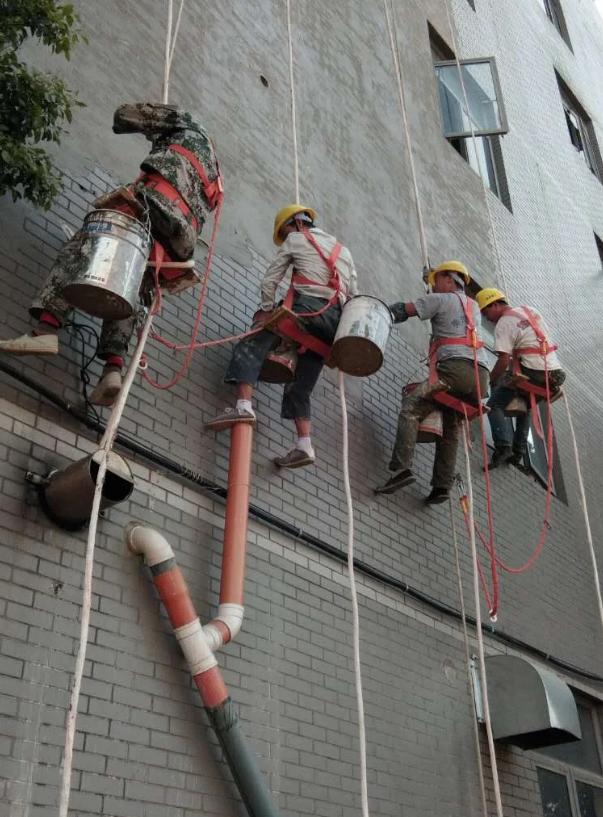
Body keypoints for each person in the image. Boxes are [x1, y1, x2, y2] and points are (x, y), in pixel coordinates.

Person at [0, 102, 221, 406]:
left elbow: (126, 116)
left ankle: (46, 329)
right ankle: (112, 370)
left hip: (157, 204)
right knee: (129, 283)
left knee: (82, 246)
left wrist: (149, 129)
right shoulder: (213, 166)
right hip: (181, 237)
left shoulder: (186, 120)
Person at [205, 205, 358, 469]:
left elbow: (269, 281)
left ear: (296, 224)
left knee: (251, 344)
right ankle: (304, 445)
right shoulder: (344, 252)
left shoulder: (296, 239)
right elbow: (353, 296)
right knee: (301, 387)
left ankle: (243, 405)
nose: (286, 236)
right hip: (332, 328)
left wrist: (267, 312)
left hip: (305, 313)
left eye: (285, 230)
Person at [376, 261, 490, 505]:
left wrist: (380, 312)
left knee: (412, 404)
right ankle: (442, 486)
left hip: (455, 371)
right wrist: (431, 286)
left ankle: (401, 469)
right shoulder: (474, 307)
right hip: (480, 379)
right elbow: (452, 318)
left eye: (437, 281)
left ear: (450, 280)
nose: (434, 286)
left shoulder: (441, 299)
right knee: (450, 427)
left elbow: (405, 310)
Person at [476, 288, 565, 467]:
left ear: (495, 304)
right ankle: (518, 453)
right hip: (554, 373)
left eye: (486, 312)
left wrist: (490, 381)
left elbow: (503, 360)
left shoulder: (504, 323)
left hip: (533, 371)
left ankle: (503, 446)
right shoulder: (530, 310)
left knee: (493, 405)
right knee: (526, 404)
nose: (486, 318)